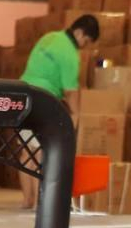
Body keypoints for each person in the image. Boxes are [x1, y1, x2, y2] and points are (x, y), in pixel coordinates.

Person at [18, 14, 100, 209]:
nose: (84, 46)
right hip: (42, 100)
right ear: (79, 33)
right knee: (40, 154)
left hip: (21, 94)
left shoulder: (50, 37)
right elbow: (71, 91)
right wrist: (77, 115)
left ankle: (27, 200)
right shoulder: (70, 54)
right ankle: (38, 204)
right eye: (86, 41)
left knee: (26, 152)